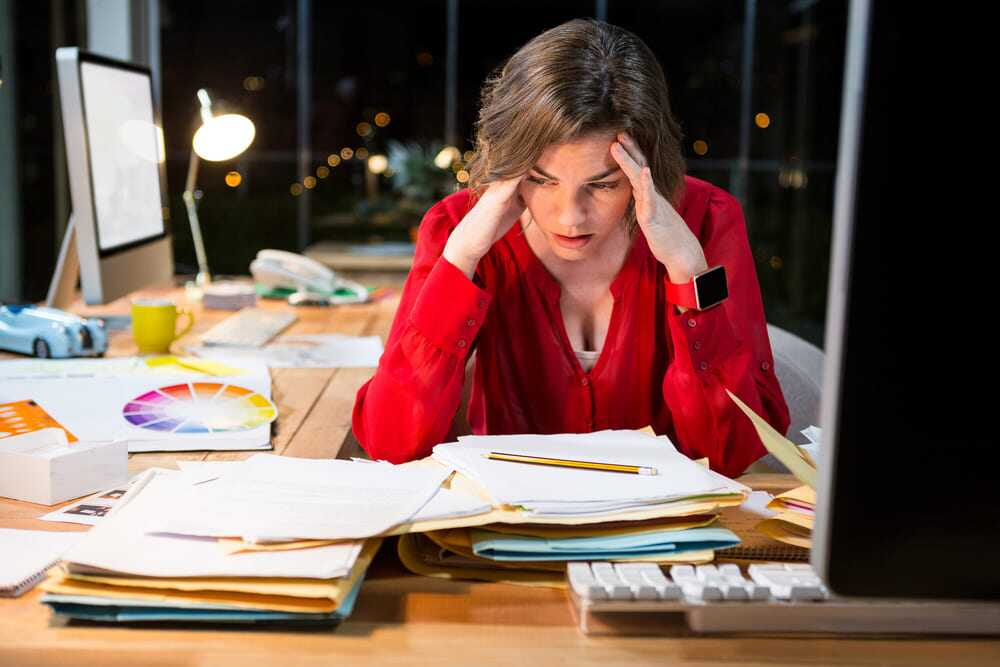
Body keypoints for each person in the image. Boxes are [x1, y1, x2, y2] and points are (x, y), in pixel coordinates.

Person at [352, 18, 790, 478]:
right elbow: (390, 442)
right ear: (509, 165)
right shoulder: (456, 228)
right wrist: (459, 262)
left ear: (650, 166)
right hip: (510, 525)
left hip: (661, 528)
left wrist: (688, 273)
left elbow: (733, 452)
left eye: (603, 184)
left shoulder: (707, 219)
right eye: (541, 180)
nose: (569, 217)